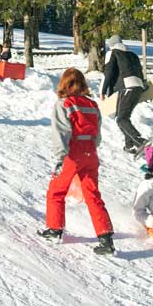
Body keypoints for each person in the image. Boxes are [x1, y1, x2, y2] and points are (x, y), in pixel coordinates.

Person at [37, 68, 115, 255]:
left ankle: (55, 230)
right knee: (92, 194)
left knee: (57, 190)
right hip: (90, 152)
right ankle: (106, 238)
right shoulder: (92, 105)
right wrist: (91, 147)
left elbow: (61, 133)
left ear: (64, 83)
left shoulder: (64, 104)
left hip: (72, 153)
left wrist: (60, 158)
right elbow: (97, 133)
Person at [100, 35, 148, 154]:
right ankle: (129, 145)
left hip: (127, 87)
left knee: (121, 119)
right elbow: (141, 73)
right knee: (124, 117)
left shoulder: (112, 53)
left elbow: (108, 73)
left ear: (111, 45)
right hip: (138, 87)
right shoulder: (133, 55)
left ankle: (139, 140)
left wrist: (103, 91)